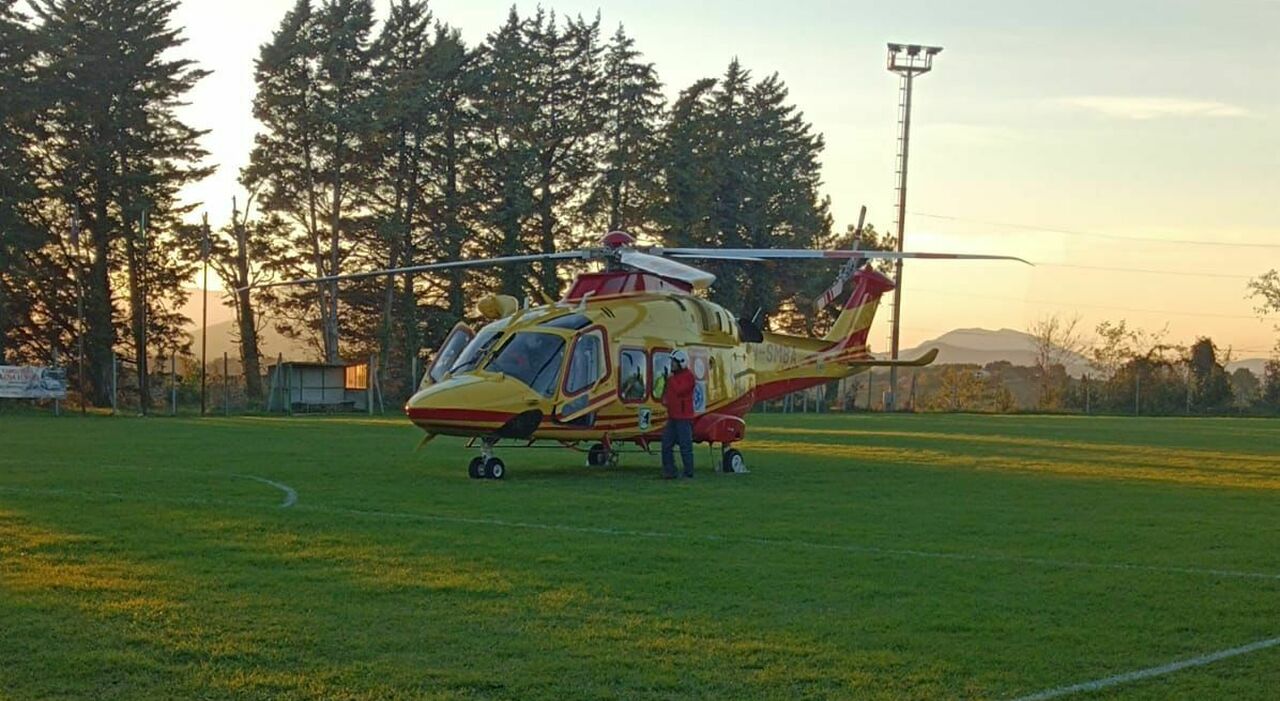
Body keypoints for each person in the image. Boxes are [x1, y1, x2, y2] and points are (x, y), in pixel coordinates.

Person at [661, 349, 696, 479]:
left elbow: (679, 390)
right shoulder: (673, 378)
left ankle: (689, 472)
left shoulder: (689, 377)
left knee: (685, 447)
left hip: (684, 418)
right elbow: (668, 394)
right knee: (666, 444)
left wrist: (670, 380)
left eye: (673, 362)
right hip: (673, 417)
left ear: (681, 363)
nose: (671, 365)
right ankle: (669, 471)